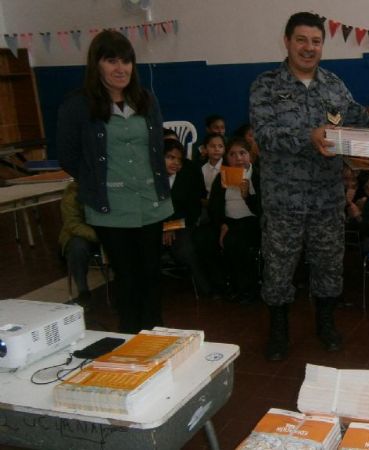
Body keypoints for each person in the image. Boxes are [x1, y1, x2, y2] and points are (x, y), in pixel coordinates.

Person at [250, 12, 369, 360]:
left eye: (316, 41)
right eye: (301, 40)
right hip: (282, 200)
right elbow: (265, 134)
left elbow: (359, 121)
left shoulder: (334, 85)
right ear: (287, 41)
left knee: (329, 266)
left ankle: (326, 325)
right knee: (278, 269)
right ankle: (278, 332)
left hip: (326, 199)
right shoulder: (266, 85)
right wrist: (309, 136)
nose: (309, 48)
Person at [57, 29, 173, 333]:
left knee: (151, 274)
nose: (121, 68)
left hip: (151, 202)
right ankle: (131, 337)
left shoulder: (145, 100)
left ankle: (156, 337)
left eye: (126, 61)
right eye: (112, 61)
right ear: (97, 64)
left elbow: (158, 147)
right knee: (126, 276)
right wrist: (94, 183)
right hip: (111, 207)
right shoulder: (78, 105)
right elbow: (67, 155)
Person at [208, 137, 262, 303]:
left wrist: (247, 195)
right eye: (232, 154)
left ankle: (247, 289)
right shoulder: (222, 177)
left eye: (242, 153)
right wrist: (222, 224)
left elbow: (263, 210)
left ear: (250, 156)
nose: (238, 158)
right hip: (228, 221)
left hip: (253, 222)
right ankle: (221, 286)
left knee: (235, 241)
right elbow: (214, 206)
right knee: (203, 239)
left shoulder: (259, 176)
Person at [162, 140, 211, 297]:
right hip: (153, 226)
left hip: (180, 225)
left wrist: (170, 226)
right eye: (170, 157)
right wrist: (163, 227)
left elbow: (193, 211)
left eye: (179, 159)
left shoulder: (187, 178)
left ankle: (205, 289)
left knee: (186, 250)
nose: (175, 162)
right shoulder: (149, 179)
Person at [58, 181, 100, 306]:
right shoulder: (72, 194)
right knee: (77, 248)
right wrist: (100, 236)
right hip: (79, 235)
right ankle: (83, 291)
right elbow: (72, 224)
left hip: (107, 231)